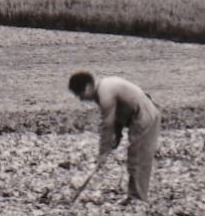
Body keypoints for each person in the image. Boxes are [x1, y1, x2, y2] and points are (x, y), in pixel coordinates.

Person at [68, 71, 162, 203]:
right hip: (137, 115)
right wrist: (117, 136)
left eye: (80, 95)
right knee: (135, 157)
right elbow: (119, 113)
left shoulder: (105, 91)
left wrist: (103, 153)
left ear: (88, 87)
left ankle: (138, 198)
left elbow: (107, 124)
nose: (81, 99)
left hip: (145, 115)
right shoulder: (105, 89)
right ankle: (134, 195)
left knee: (138, 157)